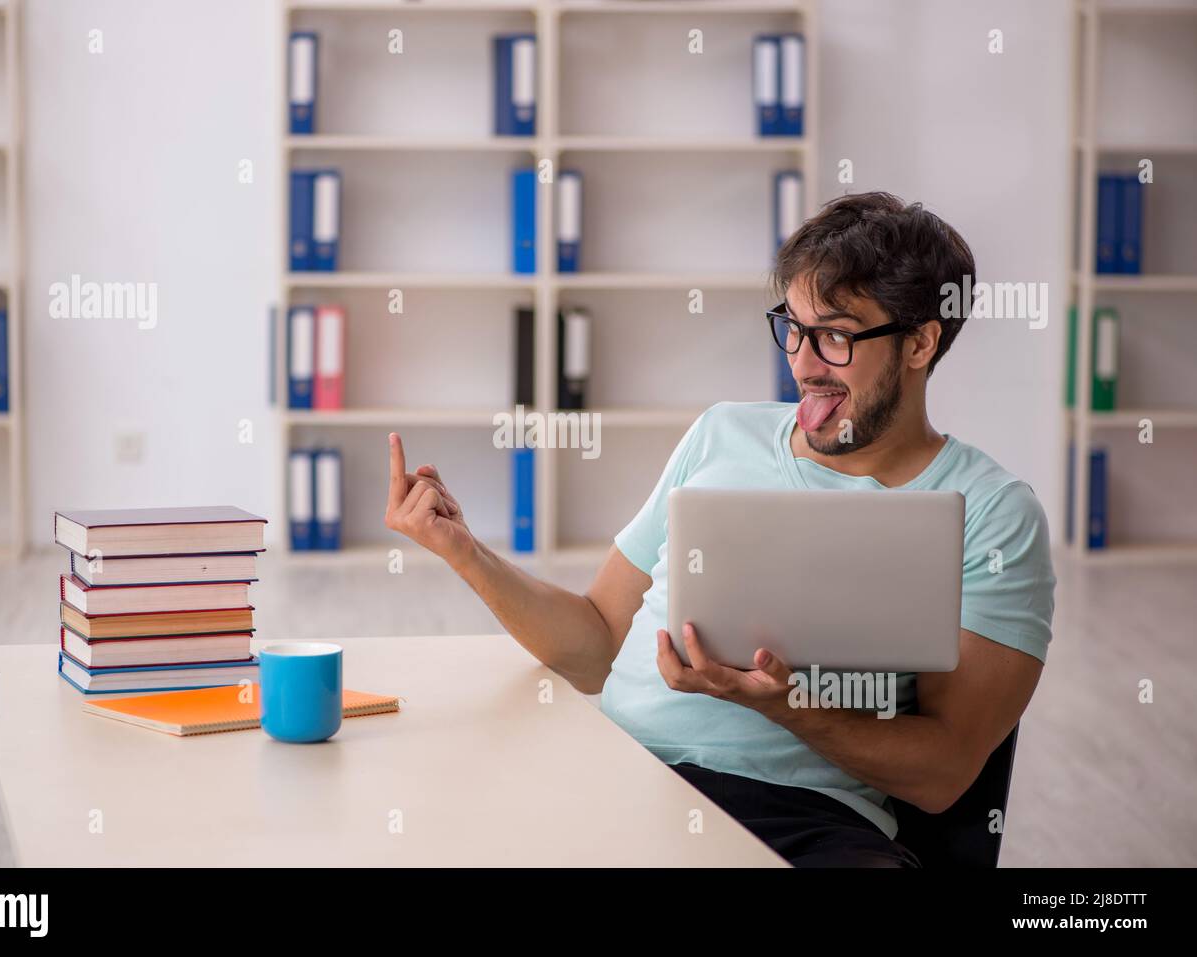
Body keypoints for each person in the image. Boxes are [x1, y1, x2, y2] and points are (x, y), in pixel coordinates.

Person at [383, 191, 1056, 867]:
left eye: (835, 334)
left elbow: (944, 774)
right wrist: (464, 551)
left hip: (798, 816)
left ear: (919, 341)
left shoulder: (993, 512)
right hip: (614, 770)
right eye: (791, 326)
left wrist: (787, 705)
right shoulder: (721, 433)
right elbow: (595, 642)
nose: (802, 361)